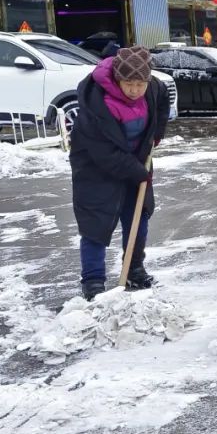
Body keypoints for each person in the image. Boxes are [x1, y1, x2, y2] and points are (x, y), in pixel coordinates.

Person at [70, 46, 170, 299]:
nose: (135, 90)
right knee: (96, 224)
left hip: (137, 163)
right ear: (117, 79)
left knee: (138, 218)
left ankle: (134, 269)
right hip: (95, 169)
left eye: (140, 84)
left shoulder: (154, 87)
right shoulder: (96, 103)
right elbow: (103, 153)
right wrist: (137, 172)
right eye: (129, 84)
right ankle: (93, 282)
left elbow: (161, 105)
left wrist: (155, 136)